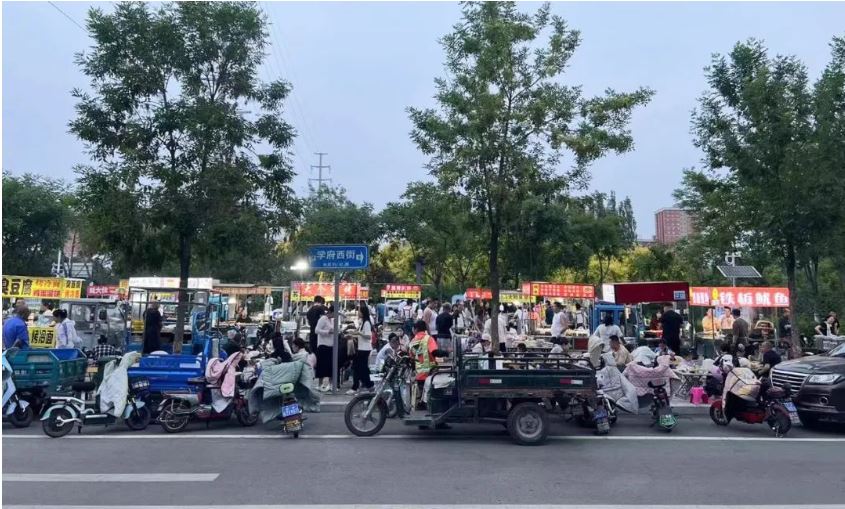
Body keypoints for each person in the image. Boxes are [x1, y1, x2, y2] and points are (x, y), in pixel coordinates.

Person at [409, 320, 438, 409]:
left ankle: (421, 404)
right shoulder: (429, 339)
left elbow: (411, 358)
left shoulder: (412, 341)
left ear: (416, 329)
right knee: (431, 393)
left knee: (421, 391)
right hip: (431, 373)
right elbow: (434, 352)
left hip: (419, 374)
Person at [348, 305, 375, 395]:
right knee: (360, 368)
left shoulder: (366, 323)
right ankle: (368, 385)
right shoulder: (362, 322)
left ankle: (361, 386)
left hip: (365, 349)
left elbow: (368, 336)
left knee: (359, 368)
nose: (358, 313)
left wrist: (358, 333)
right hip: (361, 348)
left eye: (359, 311)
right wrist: (354, 334)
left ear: (363, 312)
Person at [315, 305, 334, 392]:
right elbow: (316, 330)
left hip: (331, 345)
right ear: (330, 312)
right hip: (323, 345)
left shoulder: (333, 320)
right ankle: (320, 384)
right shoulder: (323, 319)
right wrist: (327, 332)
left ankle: (331, 384)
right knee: (322, 365)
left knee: (330, 366)